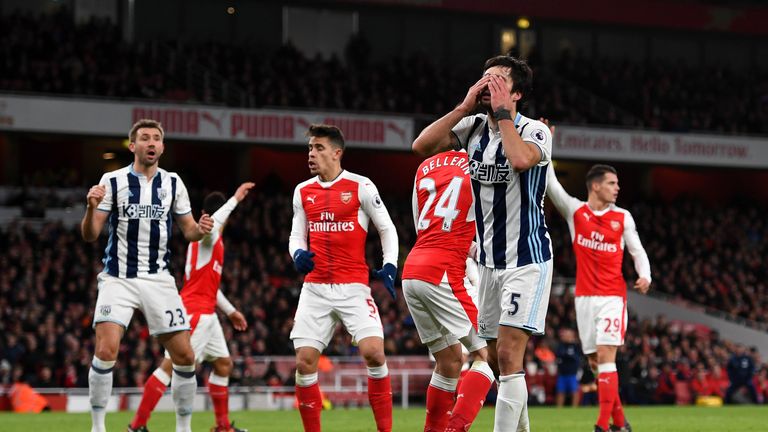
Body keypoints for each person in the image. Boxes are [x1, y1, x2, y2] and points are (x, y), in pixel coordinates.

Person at [412, 55, 554, 431]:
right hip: (489, 261)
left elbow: (521, 160)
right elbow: (421, 146)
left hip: (527, 258)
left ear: (517, 93)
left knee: (508, 353)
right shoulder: (473, 127)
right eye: (484, 79)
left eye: (498, 82)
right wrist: (463, 106)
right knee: (492, 356)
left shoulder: (536, 132)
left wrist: (505, 115)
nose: (487, 86)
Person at [81, 118, 213, 432]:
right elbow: (90, 234)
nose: (151, 143)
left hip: (158, 279)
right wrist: (90, 208)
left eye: (156, 138)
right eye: (144, 138)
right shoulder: (112, 181)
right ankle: (98, 427)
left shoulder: (173, 183)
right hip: (118, 278)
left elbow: (189, 231)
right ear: (133, 145)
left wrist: (202, 230)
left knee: (184, 355)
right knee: (105, 350)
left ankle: (183, 427)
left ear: (162, 147)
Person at [288, 124, 399, 432]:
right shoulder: (302, 190)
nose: (311, 154)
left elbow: (386, 228)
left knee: (374, 353)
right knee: (304, 362)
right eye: (310, 148)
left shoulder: (361, 186)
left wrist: (389, 265)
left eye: (319, 148)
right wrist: (297, 254)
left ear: (337, 153)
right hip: (316, 288)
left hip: (353, 286)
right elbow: (296, 235)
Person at [128, 183, 255, 432]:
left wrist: (230, 311)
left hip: (206, 313)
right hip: (194, 313)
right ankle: (136, 427)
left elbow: (209, 287)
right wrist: (235, 199)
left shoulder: (210, 243)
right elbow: (216, 222)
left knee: (223, 364)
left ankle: (222, 426)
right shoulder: (208, 235)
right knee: (169, 368)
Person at [546, 162, 651, 432]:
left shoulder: (623, 217)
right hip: (583, 298)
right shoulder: (576, 211)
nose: (617, 188)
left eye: (617, 184)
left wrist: (645, 275)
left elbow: (637, 250)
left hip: (612, 297)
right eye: (611, 183)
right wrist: (545, 148)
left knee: (606, 356)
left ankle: (602, 426)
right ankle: (621, 423)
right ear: (595, 185)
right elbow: (553, 186)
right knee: (595, 362)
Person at [401, 149, 494, 432]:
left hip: (412, 270)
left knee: (450, 360)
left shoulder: (425, 166)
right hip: (442, 271)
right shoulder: (483, 163)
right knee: (490, 355)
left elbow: (424, 225)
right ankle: (456, 428)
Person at [555, 328, 582, 408]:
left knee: (574, 391)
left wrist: (567, 356)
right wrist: (569, 355)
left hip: (573, 374)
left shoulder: (576, 346)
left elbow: (577, 358)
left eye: (567, 335)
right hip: (562, 373)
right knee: (560, 391)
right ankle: (559, 409)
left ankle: (574, 409)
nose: (565, 336)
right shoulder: (560, 345)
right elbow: (559, 355)